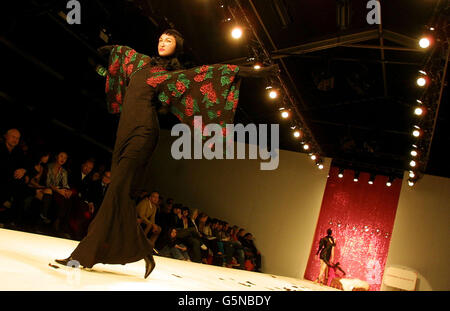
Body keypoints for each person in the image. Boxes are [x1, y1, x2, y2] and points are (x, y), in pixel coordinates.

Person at [55, 29, 278, 278]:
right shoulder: (141, 63)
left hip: (143, 132)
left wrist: (248, 71)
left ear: (177, 46)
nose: (162, 42)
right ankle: (141, 249)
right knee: (119, 195)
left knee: (116, 189)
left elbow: (207, 75)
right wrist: (110, 49)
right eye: (160, 38)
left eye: (169, 40)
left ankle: (82, 256)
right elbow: (124, 54)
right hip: (124, 132)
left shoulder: (172, 75)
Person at [0, 128, 29, 227]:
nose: (15, 140)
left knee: (21, 185)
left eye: (17, 138)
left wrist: (23, 170)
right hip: (2, 178)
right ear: (6, 136)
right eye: (13, 137)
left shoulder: (18, 151)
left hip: (13, 181)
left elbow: (26, 165)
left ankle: (11, 221)